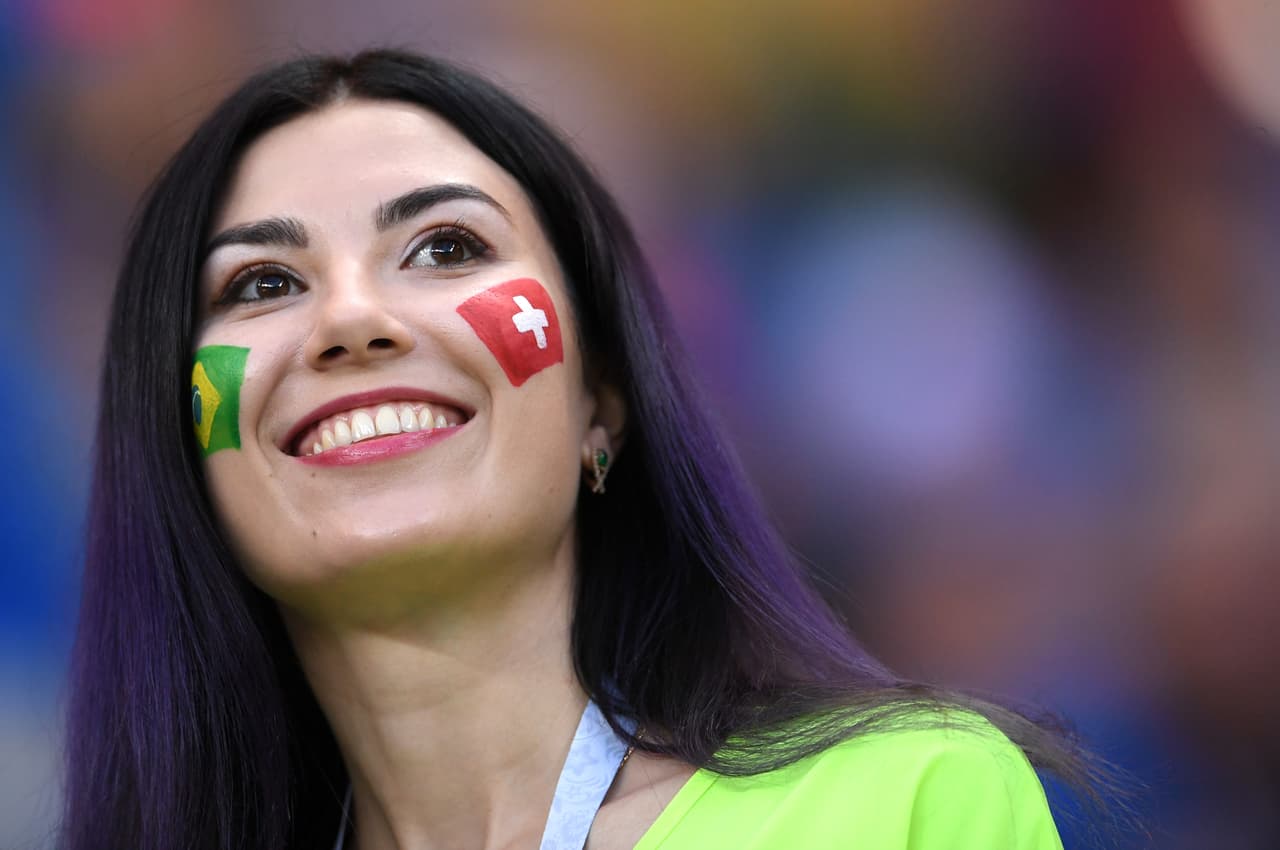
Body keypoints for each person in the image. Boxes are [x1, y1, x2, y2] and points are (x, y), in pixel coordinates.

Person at [63, 49, 1087, 850]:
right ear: (186, 453)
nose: (351, 317)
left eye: (445, 248)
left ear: (600, 400)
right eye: (262, 284)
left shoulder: (902, 802)